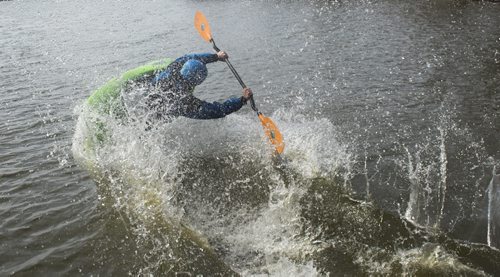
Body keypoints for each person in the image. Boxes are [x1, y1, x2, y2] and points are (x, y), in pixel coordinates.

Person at [144, 51, 253, 123]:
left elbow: (192, 57)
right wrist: (242, 100)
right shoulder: (184, 101)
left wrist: (216, 56)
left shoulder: (175, 66)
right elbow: (216, 111)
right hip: (155, 115)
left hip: (147, 95)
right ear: (197, 82)